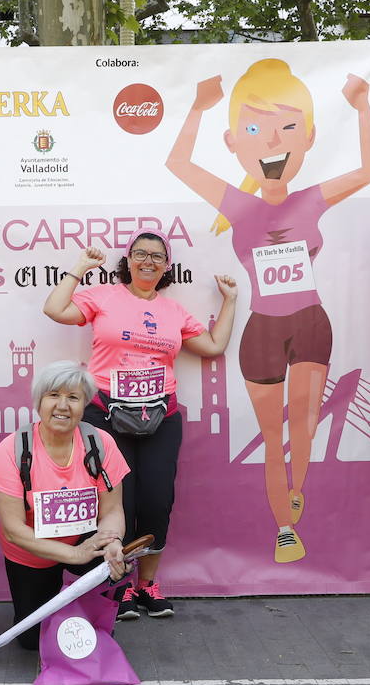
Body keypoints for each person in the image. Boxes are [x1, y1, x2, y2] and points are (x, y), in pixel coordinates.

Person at [166, 60, 370, 563]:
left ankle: (297, 486)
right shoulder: (237, 206)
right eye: (254, 129)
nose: (271, 142)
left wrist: (363, 106)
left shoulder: (312, 198)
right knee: (271, 437)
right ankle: (285, 527)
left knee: (303, 424)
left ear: (307, 138)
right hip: (262, 331)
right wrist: (197, 108)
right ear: (233, 142)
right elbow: (179, 166)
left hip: (309, 324)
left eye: (287, 128)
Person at [43, 235, 236, 620]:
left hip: (161, 419)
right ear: (128, 261)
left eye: (157, 257)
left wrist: (229, 300)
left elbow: (213, 346)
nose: (148, 261)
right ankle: (120, 586)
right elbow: (54, 308)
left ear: (166, 266)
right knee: (119, 504)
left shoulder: (174, 311)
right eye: (141, 254)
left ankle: (147, 585)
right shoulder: (104, 296)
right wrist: (79, 269)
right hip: (106, 415)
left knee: (156, 503)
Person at [0, 362, 131, 650]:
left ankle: (95, 615)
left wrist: (113, 541)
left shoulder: (101, 443)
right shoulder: (14, 448)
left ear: (84, 403)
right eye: (53, 395)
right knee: (31, 641)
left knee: (113, 560)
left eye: (73, 397)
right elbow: (13, 529)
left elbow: (112, 510)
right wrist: (73, 554)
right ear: (39, 401)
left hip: (87, 540)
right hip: (33, 550)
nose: (63, 405)